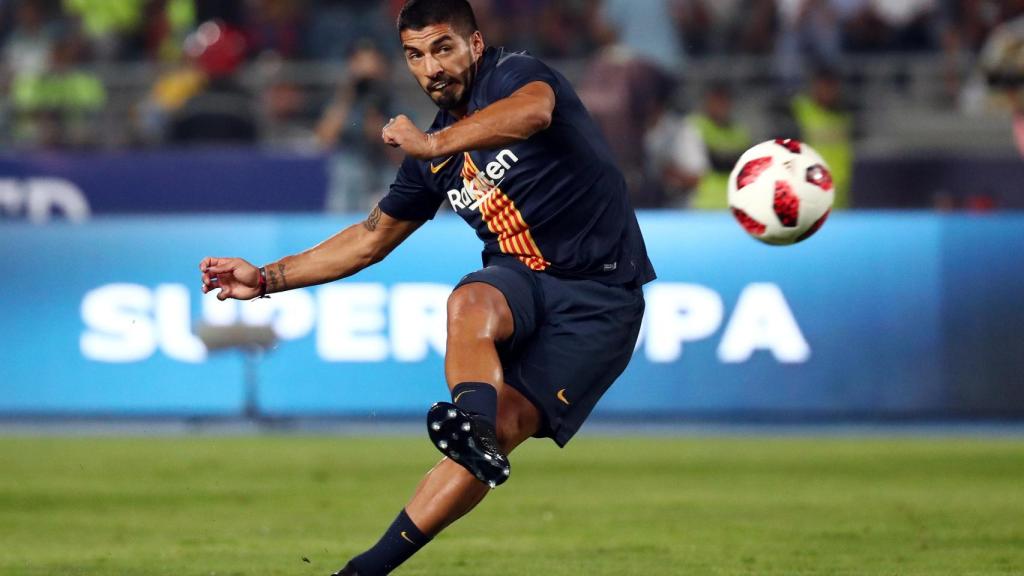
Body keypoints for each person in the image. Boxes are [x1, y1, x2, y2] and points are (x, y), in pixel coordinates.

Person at [198, 1, 655, 575]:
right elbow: (369, 240)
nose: (431, 67)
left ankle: (455, 466)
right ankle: (383, 544)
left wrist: (437, 146)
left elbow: (536, 113)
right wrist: (265, 278)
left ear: (475, 45)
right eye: (416, 55)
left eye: (443, 48)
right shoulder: (429, 152)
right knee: (469, 301)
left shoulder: (513, 76)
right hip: (523, 280)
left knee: (506, 428)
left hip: (601, 299)